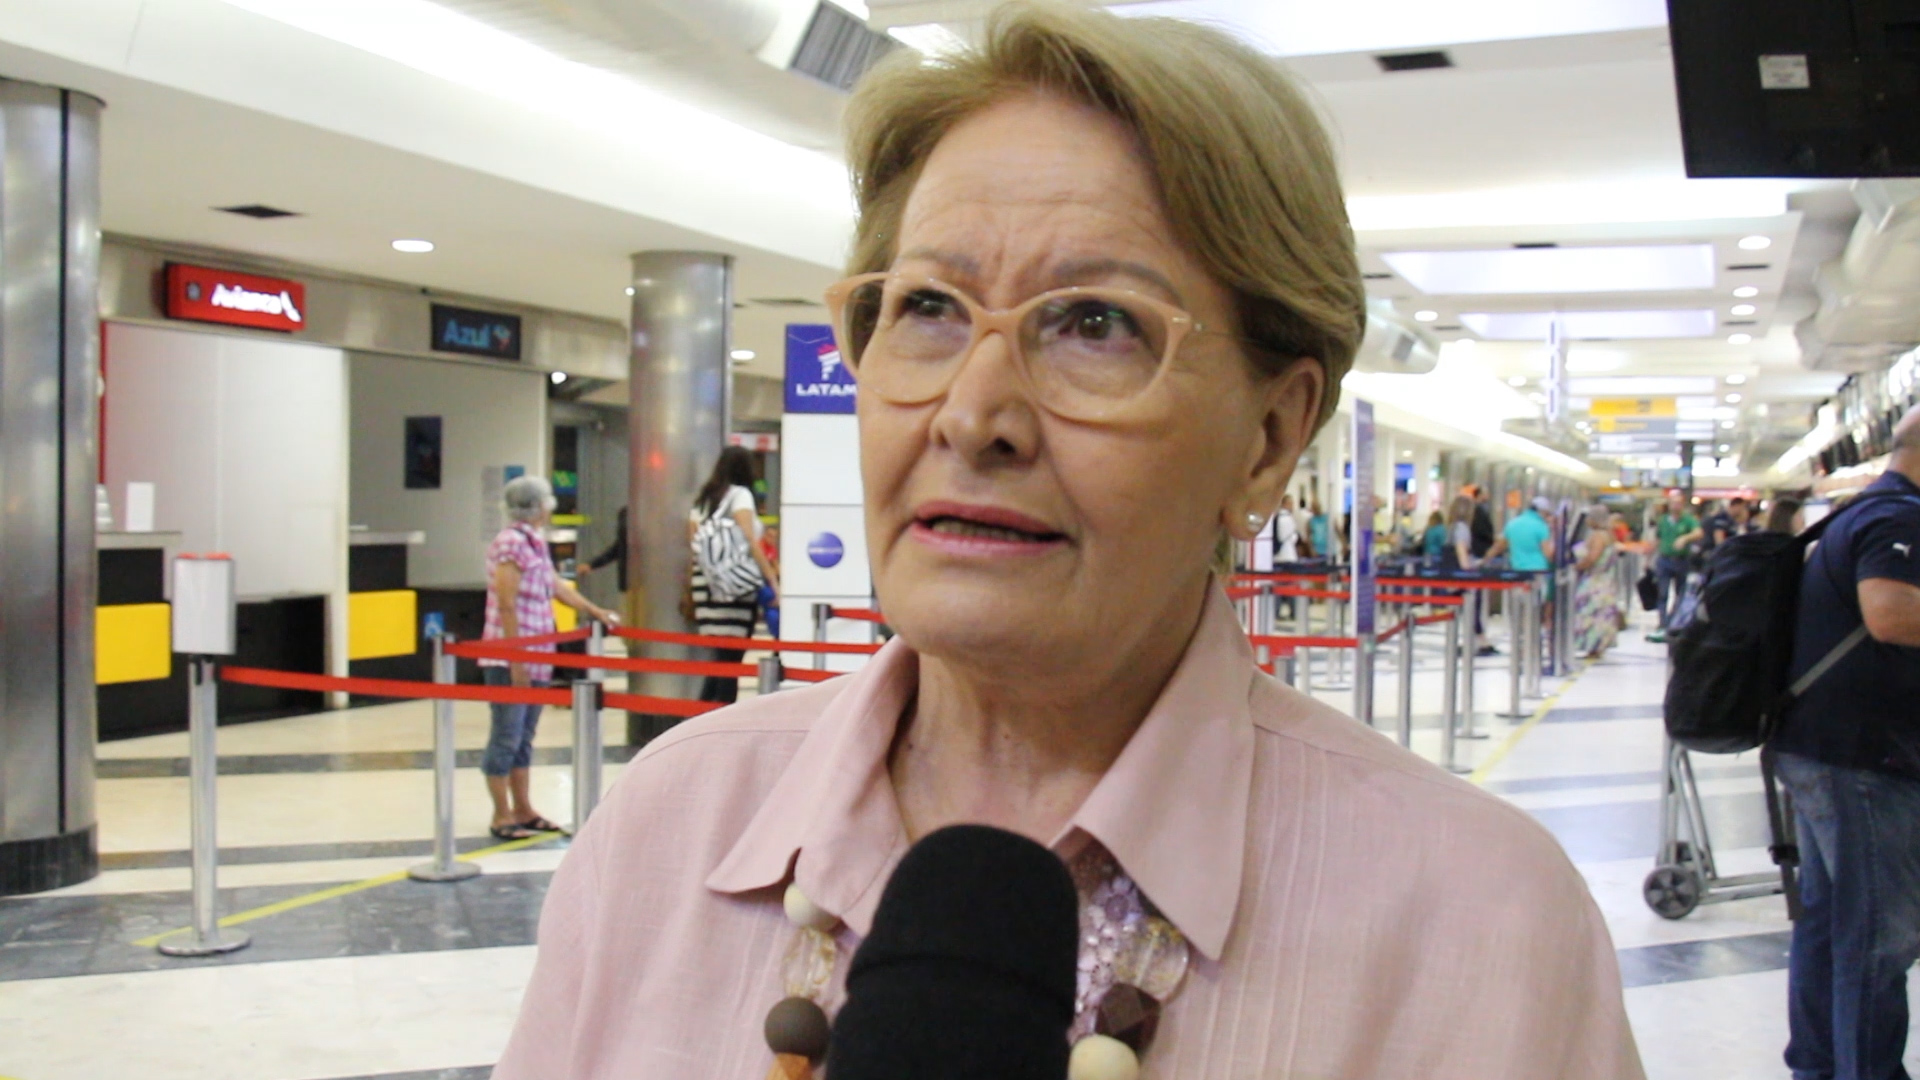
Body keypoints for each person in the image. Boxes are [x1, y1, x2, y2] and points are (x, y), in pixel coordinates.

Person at [494, 7, 1643, 1078]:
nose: (970, 414)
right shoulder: (669, 825)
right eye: (930, 309)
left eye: (1094, 324)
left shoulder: (1481, 922)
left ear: (1268, 439)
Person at [1769, 403, 1920, 1080]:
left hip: (1823, 746)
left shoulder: (1865, 511)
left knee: (1831, 926)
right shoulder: (1898, 517)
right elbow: (1888, 616)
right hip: (1859, 756)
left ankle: (1819, 1066)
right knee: (1877, 938)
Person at [481, 475, 620, 841]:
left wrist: (596, 611)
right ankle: (501, 813)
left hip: (539, 654)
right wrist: (516, 659)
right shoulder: (510, 542)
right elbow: (506, 602)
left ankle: (523, 808)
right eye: (545, 501)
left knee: (525, 736)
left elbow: (555, 587)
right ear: (535, 505)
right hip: (513, 657)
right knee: (506, 735)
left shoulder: (534, 542)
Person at [687, 446, 781, 704]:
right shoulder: (740, 496)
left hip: (705, 583)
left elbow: (693, 547)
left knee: (720, 659)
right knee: (730, 661)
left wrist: (689, 592)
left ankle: (698, 720)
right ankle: (717, 725)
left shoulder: (703, 501)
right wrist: (773, 583)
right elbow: (751, 541)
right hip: (735, 585)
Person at [1647, 491, 1702, 644]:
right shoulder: (1663, 520)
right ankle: (1662, 624)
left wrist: (1685, 538)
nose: (1675, 505)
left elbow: (1698, 533)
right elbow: (1658, 539)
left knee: (1681, 593)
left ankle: (1674, 622)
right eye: (1673, 502)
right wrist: (1649, 558)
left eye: (1678, 502)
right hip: (1664, 560)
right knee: (1662, 594)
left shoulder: (1688, 520)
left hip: (1682, 561)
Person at [579, 505, 643, 629]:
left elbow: (617, 548)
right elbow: (618, 547)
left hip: (645, 585)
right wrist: (592, 564)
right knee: (631, 624)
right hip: (629, 584)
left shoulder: (649, 515)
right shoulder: (627, 514)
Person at [1572, 505, 1621, 660]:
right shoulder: (1609, 535)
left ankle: (1593, 646)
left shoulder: (1598, 536)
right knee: (1603, 614)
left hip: (1594, 582)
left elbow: (1592, 558)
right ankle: (1598, 647)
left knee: (1592, 614)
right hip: (1606, 582)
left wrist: (1577, 566)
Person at [1465, 483, 1497, 560]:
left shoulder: (1481, 509)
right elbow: (1480, 529)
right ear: (1479, 495)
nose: (1488, 496)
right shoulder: (1476, 511)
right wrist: (1491, 538)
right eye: (1485, 493)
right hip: (1479, 547)